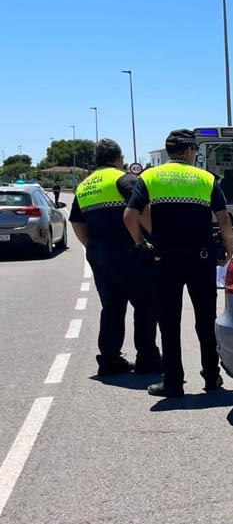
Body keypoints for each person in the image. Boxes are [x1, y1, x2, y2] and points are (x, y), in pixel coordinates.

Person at [123, 130, 233, 398]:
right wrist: (229, 251)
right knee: (205, 320)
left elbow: (129, 214)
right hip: (201, 258)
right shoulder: (206, 178)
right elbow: (224, 219)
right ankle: (211, 377)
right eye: (194, 151)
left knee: (169, 322)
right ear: (187, 151)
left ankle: (173, 383)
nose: (195, 155)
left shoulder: (149, 176)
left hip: (165, 259)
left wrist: (142, 244)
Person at [69, 139, 162, 376]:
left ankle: (109, 360)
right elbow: (139, 208)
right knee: (144, 305)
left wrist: (90, 246)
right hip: (129, 252)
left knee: (111, 307)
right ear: (119, 158)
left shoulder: (84, 186)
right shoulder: (123, 179)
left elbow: (76, 222)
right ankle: (147, 358)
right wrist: (152, 239)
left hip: (99, 255)